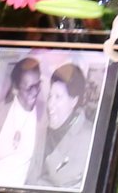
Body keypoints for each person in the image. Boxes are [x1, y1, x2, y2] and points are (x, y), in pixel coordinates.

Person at [0, 57, 45, 188]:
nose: (35, 92)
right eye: (29, 88)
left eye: (37, 85)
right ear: (15, 89)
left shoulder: (43, 119)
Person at [32, 62, 96, 190]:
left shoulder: (88, 137)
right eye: (50, 96)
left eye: (58, 97)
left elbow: (65, 180)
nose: (50, 104)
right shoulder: (43, 131)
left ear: (74, 101)